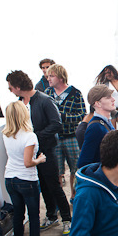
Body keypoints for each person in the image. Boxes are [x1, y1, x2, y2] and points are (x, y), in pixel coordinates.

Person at [7, 70, 72, 236]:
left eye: (10, 87)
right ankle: (51, 216)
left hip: (46, 150)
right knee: (42, 186)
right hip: (31, 152)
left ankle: (67, 219)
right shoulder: (21, 103)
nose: (10, 91)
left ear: (18, 86)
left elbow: (56, 124)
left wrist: (35, 136)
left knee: (54, 185)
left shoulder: (44, 100)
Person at [2, 101, 49, 236]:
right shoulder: (29, 136)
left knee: (18, 213)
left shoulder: (6, 134)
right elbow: (28, 162)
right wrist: (40, 159)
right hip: (27, 179)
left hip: (10, 177)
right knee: (33, 214)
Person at [45, 64, 86, 202]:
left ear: (61, 77)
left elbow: (82, 115)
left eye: (52, 76)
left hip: (71, 137)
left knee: (75, 168)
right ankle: (59, 198)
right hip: (54, 138)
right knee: (56, 171)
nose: (48, 78)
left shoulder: (75, 93)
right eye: (48, 76)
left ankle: (74, 196)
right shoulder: (47, 93)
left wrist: (61, 117)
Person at [78, 85, 115, 168]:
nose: (113, 99)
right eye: (108, 97)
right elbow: (84, 161)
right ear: (98, 103)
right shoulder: (95, 127)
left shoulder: (106, 122)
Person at [95, 65, 118, 130]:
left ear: (113, 71)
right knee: (112, 131)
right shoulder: (106, 84)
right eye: (106, 73)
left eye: (109, 72)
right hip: (111, 110)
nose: (107, 75)